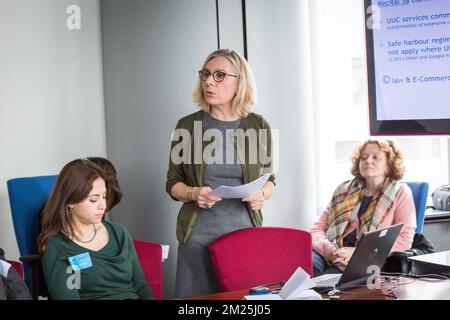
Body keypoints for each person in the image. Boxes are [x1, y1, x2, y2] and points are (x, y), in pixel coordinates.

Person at [166, 49, 276, 297]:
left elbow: (270, 181)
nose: (208, 81)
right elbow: (172, 183)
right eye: (206, 74)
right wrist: (194, 193)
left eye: (219, 75)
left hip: (244, 236)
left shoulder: (258, 125)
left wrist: (262, 195)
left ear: (239, 82)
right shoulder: (187, 126)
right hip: (197, 238)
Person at [38, 159, 153, 300]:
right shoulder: (57, 247)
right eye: (93, 199)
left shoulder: (119, 233)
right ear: (70, 201)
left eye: (104, 196)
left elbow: (141, 286)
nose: (102, 205)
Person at [311, 139, 416, 277]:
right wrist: (329, 250)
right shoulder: (343, 189)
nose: (368, 161)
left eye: (375, 157)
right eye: (364, 157)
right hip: (330, 251)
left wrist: (358, 252)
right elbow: (317, 229)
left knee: (327, 281)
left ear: (389, 164)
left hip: (367, 256)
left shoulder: (401, 192)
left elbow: (404, 238)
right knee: (304, 269)